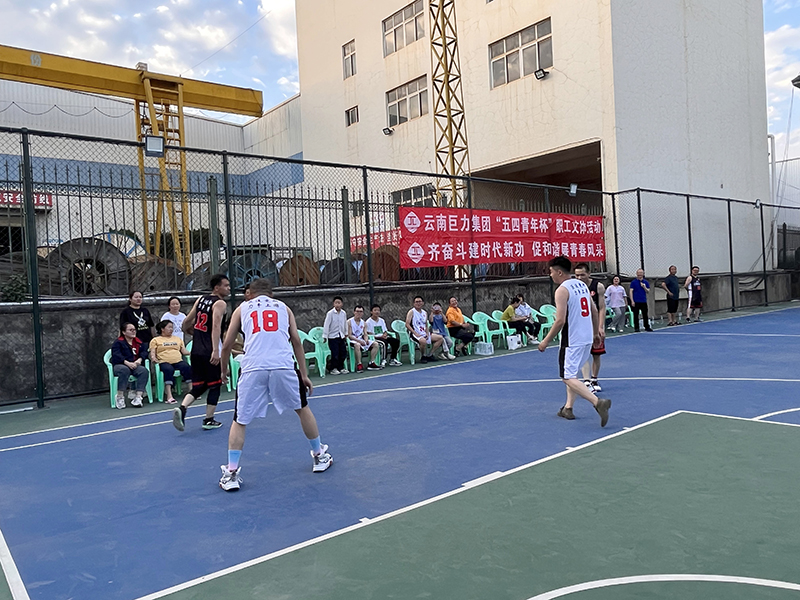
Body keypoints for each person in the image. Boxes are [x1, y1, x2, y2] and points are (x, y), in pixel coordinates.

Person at [218, 278, 332, 491]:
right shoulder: (283, 307)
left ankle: (231, 473)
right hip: (283, 364)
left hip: (253, 366)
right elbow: (296, 341)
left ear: (250, 293)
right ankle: (319, 455)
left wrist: (224, 371)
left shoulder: (242, 308)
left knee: (240, 419)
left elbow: (226, 345)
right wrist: (304, 374)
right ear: (271, 293)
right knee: (302, 408)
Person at [537, 256, 611, 427]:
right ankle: (568, 408)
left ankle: (597, 402)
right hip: (586, 338)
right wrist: (595, 332)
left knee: (567, 377)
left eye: (551, 272)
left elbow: (560, 320)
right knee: (573, 373)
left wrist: (545, 341)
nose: (550, 275)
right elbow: (594, 310)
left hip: (572, 339)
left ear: (559, 272)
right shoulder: (582, 285)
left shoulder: (562, 290)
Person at [172, 274, 231, 432]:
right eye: (226, 285)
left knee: (200, 384)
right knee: (215, 385)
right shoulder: (220, 303)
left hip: (196, 350)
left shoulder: (201, 299)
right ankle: (208, 419)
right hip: (209, 350)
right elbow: (216, 326)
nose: (229, 288)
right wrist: (216, 350)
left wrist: (191, 332)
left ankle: (182, 408)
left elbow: (186, 322)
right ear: (216, 287)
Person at [574, 263, 606, 393]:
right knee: (583, 353)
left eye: (582, 274)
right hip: (581, 325)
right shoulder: (574, 287)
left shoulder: (598, 286)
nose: (579, 278)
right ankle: (586, 380)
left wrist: (600, 327)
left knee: (596, 354)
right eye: (577, 275)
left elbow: (602, 307)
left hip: (595, 323)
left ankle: (594, 379)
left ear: (589, 273)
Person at [149, 320, 192, 404]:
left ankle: (191, 391)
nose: (171, 329)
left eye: (172, 327)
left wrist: (192, 353)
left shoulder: (177, 339)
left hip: (178, 361)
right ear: (162, 329)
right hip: (164, 362)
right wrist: (153, 358)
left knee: (186, 367)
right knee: (168, 369)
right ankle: (169, 395)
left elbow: (183, 351)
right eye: (169, 327)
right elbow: (153, 352)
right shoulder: (155, 340)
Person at [110, 322, 150, 409]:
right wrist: (127, 363)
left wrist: (139, 359)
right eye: (130, 330)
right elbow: (116, 355)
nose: (133, 331)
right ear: (124, 332)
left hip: (134, 365)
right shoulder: (118, 342)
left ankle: (138, 397)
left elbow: (144, 352)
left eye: (134, 330)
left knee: (143, 371)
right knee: (124, 370)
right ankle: (120, 396)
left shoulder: (138, 342)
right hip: (120, 365)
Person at [406, 295, 443, 363]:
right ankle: (423, 356)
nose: (418, 303)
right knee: (423, 341)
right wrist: (415, 333)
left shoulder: (424, 312)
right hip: (415, 333)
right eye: (416, 302)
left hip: (424, 332)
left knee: (440, 338)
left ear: (423, 303)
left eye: (420, 301)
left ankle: (430, 354)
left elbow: (426, 324)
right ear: (414, 303)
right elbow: (407, 324)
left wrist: (427, 333)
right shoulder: (411, 312)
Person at [347, 305, 381, 372]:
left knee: (375, 344)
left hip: (361, 339)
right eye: (357, 311)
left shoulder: (364, 323)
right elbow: (349, 336)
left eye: (361, 311)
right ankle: (359, 364)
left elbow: (365, 334)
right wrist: (359, 341)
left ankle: (371, 362)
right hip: (353, 340)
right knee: (357, 345)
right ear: (354, 312)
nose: (359, 313)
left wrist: (366, 340)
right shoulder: (349, 322)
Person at [322, 296, 348, 375]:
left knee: (343, 352)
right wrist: (325, 336)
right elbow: (326, 324)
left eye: (339, 303)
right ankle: (333, 368)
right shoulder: (330, 313)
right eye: (336, 303)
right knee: (335, 353)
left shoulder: (343, 313)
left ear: (342, 304)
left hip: (341, 336)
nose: (337, 305)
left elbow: (345, 323)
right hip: (332, 337)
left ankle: (341, 367)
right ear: (333, 304)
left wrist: (346, 333)